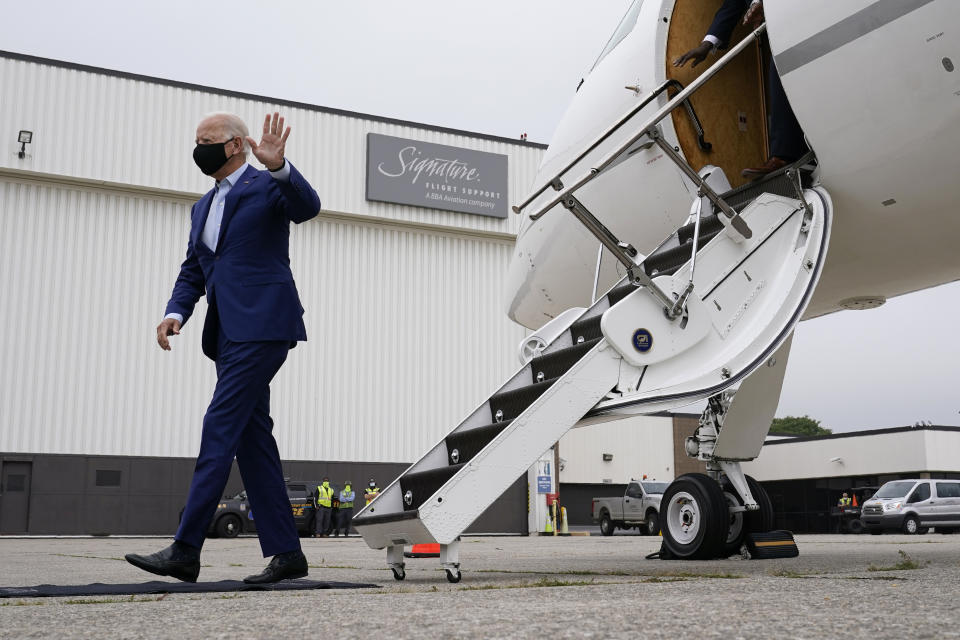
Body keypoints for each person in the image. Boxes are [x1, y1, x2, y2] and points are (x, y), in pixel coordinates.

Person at [125, 112, 321, 584]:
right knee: (253, 442)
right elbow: (194, 268)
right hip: (228, 333)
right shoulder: (201, 206)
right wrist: (176, 312)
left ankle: (186, 548)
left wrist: (280, 167)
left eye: (207, 140)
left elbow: (307, 206)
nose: (199, 147)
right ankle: (287, 554)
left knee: (220, 424)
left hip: (265, 323)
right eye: (195, 140)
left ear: (235, 145)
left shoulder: (266, 184)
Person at [673, 0, 808, 179]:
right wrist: (706, 46)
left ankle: (785, 154)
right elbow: (732, 5)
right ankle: (786, 155)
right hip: (782, 31)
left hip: (806, 16)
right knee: (779, 71)